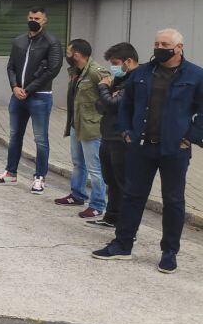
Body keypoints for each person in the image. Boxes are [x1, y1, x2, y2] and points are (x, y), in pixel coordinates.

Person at [93, 29, 203, 275]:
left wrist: (191, 136)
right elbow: (126, 104)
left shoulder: (195, 75)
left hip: (175, 149)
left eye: (165, 44)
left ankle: (169, 252)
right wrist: (125, 131)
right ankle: (122, 244)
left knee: (173, 201)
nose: (159, 47)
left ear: (179, 47)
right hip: (141, 146)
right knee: (132, 195)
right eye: (156, 43)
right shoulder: (142, 73)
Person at [0, 8, 64, 194]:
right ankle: (10, 172)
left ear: (45, 20)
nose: (33, 20)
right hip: (17, 96)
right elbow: (11, 66)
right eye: (30, 17)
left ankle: (39, 177)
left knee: (41, 139)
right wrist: (15, 87)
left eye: (37, 18)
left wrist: (28, 90)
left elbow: (52, 70)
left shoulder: (52, 42)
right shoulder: (19, 41)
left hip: (40, 96)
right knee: (14, 136)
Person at [54, 39, 109, 218]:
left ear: (76, 54)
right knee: (78, 163)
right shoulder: (76, 72)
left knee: (95, 168)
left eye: (69, 52)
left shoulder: (95, 72)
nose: (67, 56)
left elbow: (110, 94)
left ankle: (98, 204)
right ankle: (77, 195)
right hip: (76, 124)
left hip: (90, 127)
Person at [89, 43, 139, 228]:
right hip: (108, 134)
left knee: (122, 180)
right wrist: (107, 94)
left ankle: (125, 222)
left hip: (122, 137)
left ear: (128, 61)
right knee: (110, 179)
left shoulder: (134, 80)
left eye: (116, 63)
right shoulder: (119, 79)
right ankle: (111, 216)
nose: (113, 67)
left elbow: (112, 104)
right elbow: (101, 106)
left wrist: (103, 88)